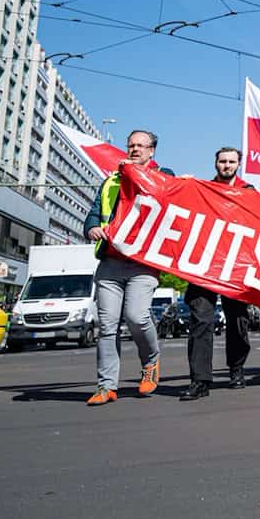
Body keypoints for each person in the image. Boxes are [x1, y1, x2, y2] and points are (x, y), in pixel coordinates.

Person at [85, 130, 173, 406]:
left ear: (152, 151)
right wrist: (91, 229)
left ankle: (150, 361)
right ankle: (106, 386)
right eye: (131, 145)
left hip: (143, 262)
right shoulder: (111, 180)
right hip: (111, 262)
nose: (134, 149)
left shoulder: (163, 175)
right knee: (107, 326)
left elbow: (176, 196)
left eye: (140, 146)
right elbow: (93, 212)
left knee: (136, 316)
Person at [180, 147, 257, 401]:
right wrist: (181, 186)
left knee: (238, 320)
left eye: (231, 161)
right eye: (223, 161)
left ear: (239, 164)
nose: (227, 165)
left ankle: (236, 369)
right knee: (201, 319)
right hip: (205, 265)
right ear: (215, 164)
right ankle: (199, 381)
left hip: (235, 266)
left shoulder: (249, 192)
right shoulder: (201, 189)